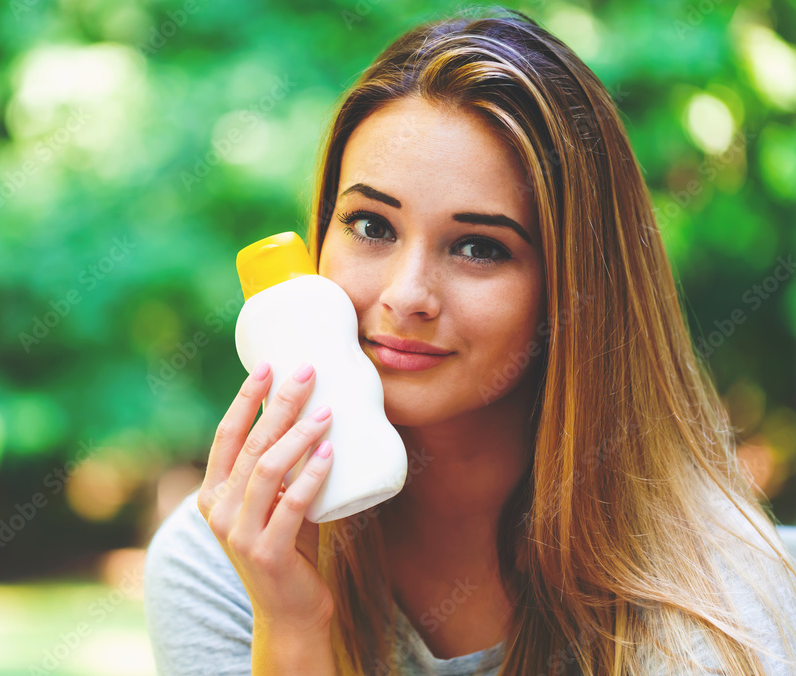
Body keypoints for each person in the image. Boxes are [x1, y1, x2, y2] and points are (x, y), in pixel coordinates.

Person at [144, 7, 796, 675]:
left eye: (479, 247)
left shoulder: (716, 596)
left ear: (576, 289)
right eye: (371, 225)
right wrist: (291, 627)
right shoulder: (222, 569)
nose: (406, 295)